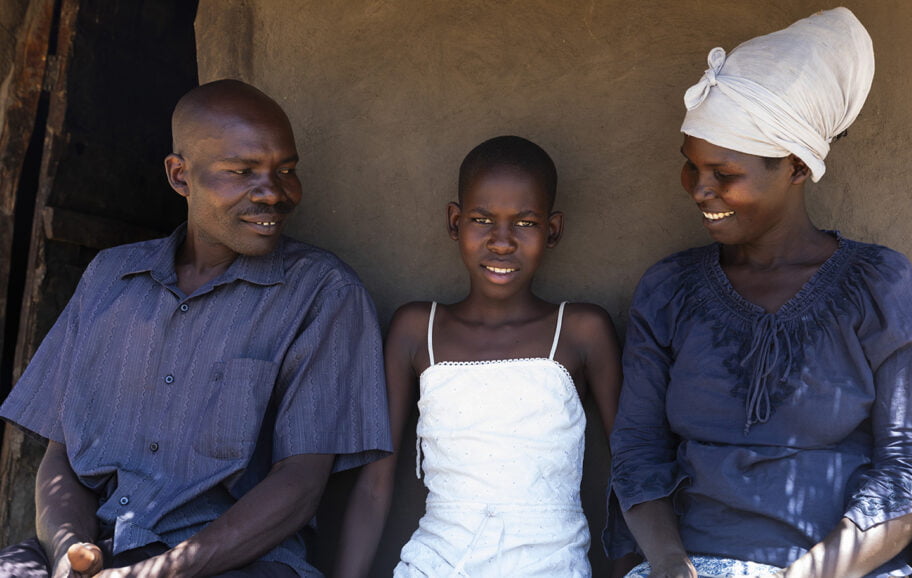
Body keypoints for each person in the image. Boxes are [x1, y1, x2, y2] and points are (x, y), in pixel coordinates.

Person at [607, 8, 912, 578]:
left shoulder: (879, 285)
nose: (700, 189)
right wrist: (669, 562)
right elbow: (639, 451)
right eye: (691, 168)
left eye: (724, 173)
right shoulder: (669, 290)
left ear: (794, 167)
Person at [0, 79, 391, 578]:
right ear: (180, 175)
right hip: (101, 553)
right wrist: (71, 556)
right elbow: (62, 460)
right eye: (242, 171)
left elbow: (299, 486)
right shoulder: (109, 279)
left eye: (286, 170)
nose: (274, 193)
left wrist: (153, 574)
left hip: (240, 565)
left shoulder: (324, 294)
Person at [336, 135, 626, 577]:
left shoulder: (581, 330)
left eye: (525, 223)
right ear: (455, 222)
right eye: (482, 219)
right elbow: (375, 485)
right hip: (436, 565)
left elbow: (630, 471)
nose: (502, 241)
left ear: (552, 230)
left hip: (550, 566)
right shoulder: (418, 330)